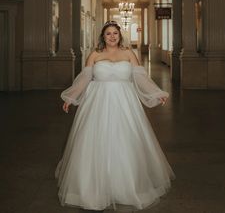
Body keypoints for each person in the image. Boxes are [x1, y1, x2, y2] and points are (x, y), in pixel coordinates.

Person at [55, 20, 175, 212]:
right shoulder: (95, 54)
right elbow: (84, 79)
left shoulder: (129, 53)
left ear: (120, 36)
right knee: (95, 141)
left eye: (115, 34)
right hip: (97, 104)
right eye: (108, 33)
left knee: (125, 141)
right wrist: (71, 97)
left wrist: (157, 93)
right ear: (103, 36)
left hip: (125, 103)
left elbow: (140, 77)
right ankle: (92, 188)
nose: (112, 37)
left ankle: (126, 186)